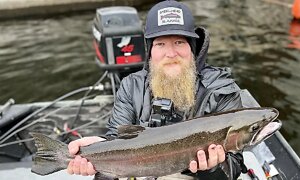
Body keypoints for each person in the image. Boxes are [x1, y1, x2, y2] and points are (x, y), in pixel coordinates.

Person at [67, 0, 244, 179]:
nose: (171, 54)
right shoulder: (131, 85)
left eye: (179, 42)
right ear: (150, 50)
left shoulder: (222, 89)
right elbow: (116, 138)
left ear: (192, 47)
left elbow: (234, 167)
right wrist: (99, 147)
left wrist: (210, 168)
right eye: (160, 44)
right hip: (138, 169)